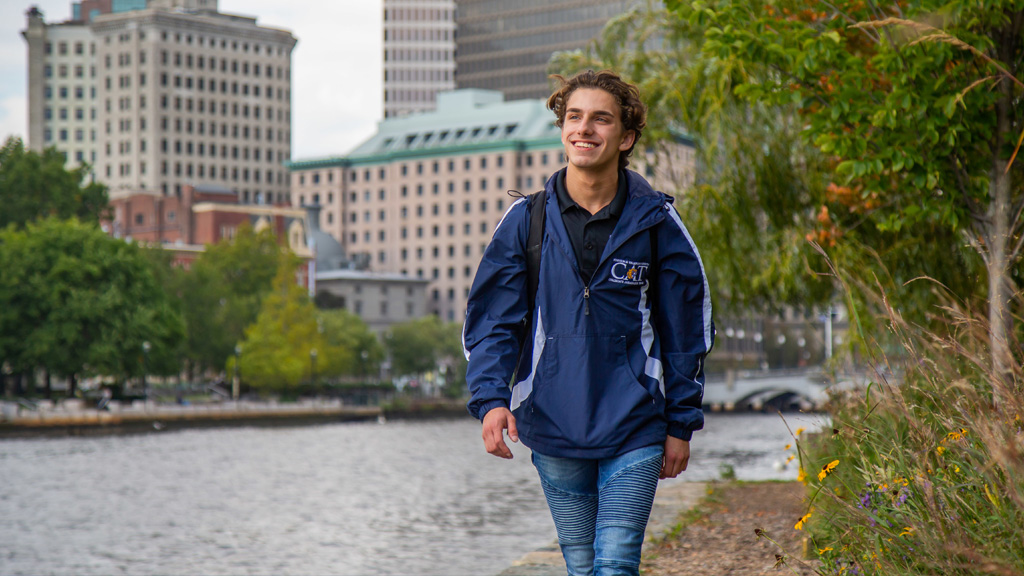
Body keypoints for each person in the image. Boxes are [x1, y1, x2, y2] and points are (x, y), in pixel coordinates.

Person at [462, 69, 714, 576]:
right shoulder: (524, 221)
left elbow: (687, 331)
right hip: (551, 420)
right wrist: (491, 400)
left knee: (616, 563)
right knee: (581, 565)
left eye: (601, 119)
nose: (584, 129)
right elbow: (493, 323)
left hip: (636, 422)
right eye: (574, 117)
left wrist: (681, 422)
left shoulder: (658, 223)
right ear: (561, 130)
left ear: (626, 138)